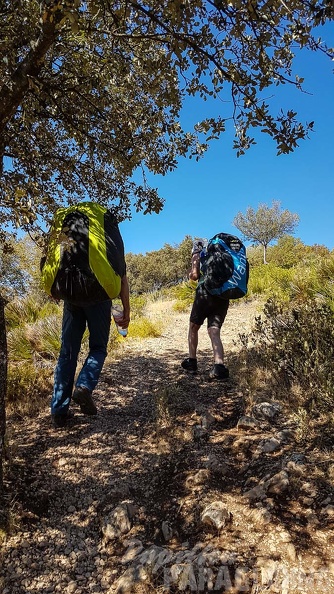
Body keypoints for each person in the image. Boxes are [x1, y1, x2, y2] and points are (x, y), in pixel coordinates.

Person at [41, 202, 130, 428]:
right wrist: (126, 310)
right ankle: (84, 387)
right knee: (98, 347)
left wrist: (54, 287)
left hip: (71, 294)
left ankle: (59, 412)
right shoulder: (106, 233)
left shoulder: (66, 227)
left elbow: (52, 258)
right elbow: (122, 276)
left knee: (67, 352)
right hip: (98, 296)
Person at [181, 238, 230, 380]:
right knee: (214, 331)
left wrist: (190, 272)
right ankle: (219, 367)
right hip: (223, 295)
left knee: (193, 327)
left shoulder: (199, 252)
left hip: (205, 294)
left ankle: (192, 361)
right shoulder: (224, 255)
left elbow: (194, 275)